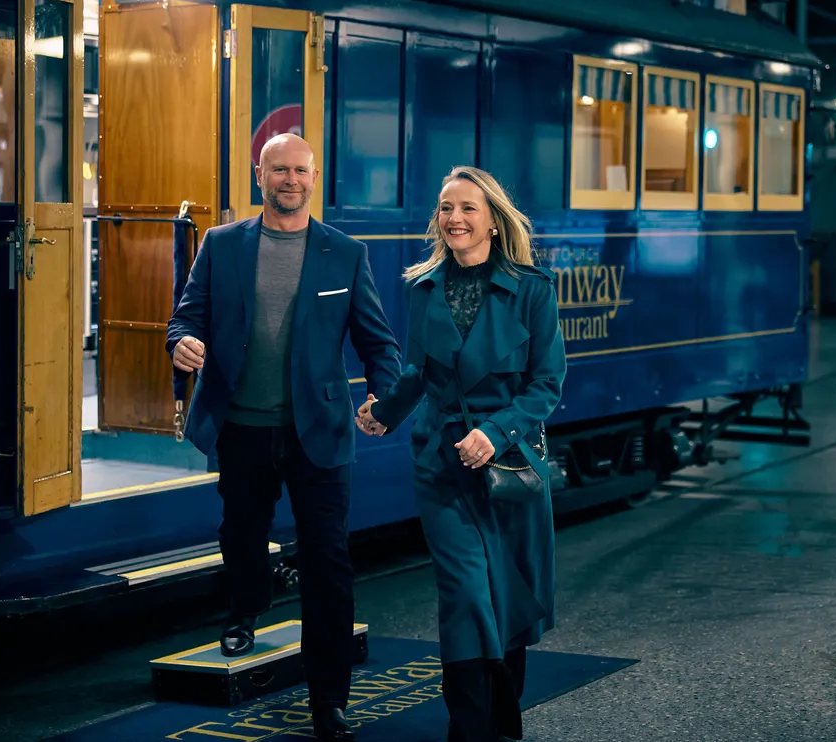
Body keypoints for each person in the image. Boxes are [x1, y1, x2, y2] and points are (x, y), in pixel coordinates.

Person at [166, 133, 401, 742]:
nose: (289, 179)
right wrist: (181, 342)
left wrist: (384, 397)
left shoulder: (345, 253)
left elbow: (378, 343)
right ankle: (245, 609)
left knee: (328, 562)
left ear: (314, 179)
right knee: (241, 534)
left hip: (317, 430)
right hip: (241, 425)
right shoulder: (221, 244)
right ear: (259, 175)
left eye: (300, 170)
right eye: (279, 170)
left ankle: (330, 700)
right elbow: (185, 317)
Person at [357, 166, 566, 742]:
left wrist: (495, 433)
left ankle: (501, 716)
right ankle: (470, 726)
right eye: (446, 207)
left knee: (507, 593)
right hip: (441, 463)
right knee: (466, 593)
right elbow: (417, 373)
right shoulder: (421, 286)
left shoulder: (533, 290)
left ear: (493, 221)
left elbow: (546, 384)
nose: (454, 218)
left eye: (468, 208)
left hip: (510, 465)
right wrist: (383, 412)